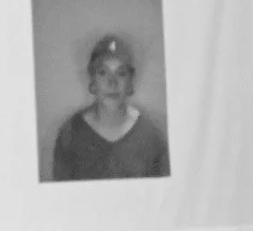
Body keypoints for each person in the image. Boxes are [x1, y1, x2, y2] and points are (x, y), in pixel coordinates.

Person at [50, 34, 170, 181]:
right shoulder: (69, 135)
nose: (112, 83)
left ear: (130, 82)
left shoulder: (151, 137)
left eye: (120, 73)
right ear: (93, 81)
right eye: (103, 73)